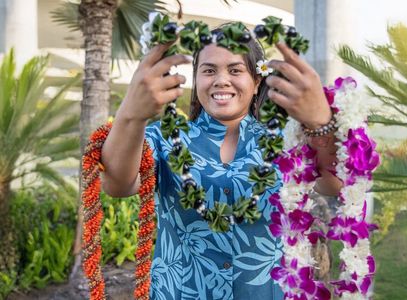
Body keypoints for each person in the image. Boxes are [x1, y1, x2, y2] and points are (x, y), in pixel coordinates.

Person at [100, 29, 342, 299]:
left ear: (257, 81)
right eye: (209, 71)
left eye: (235, 70)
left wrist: (321, 123)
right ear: (196, 79)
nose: (221, 80)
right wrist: (131, 114)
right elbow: (118, 184)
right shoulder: (164, 138)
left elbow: (333, 184)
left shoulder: (287, 142)